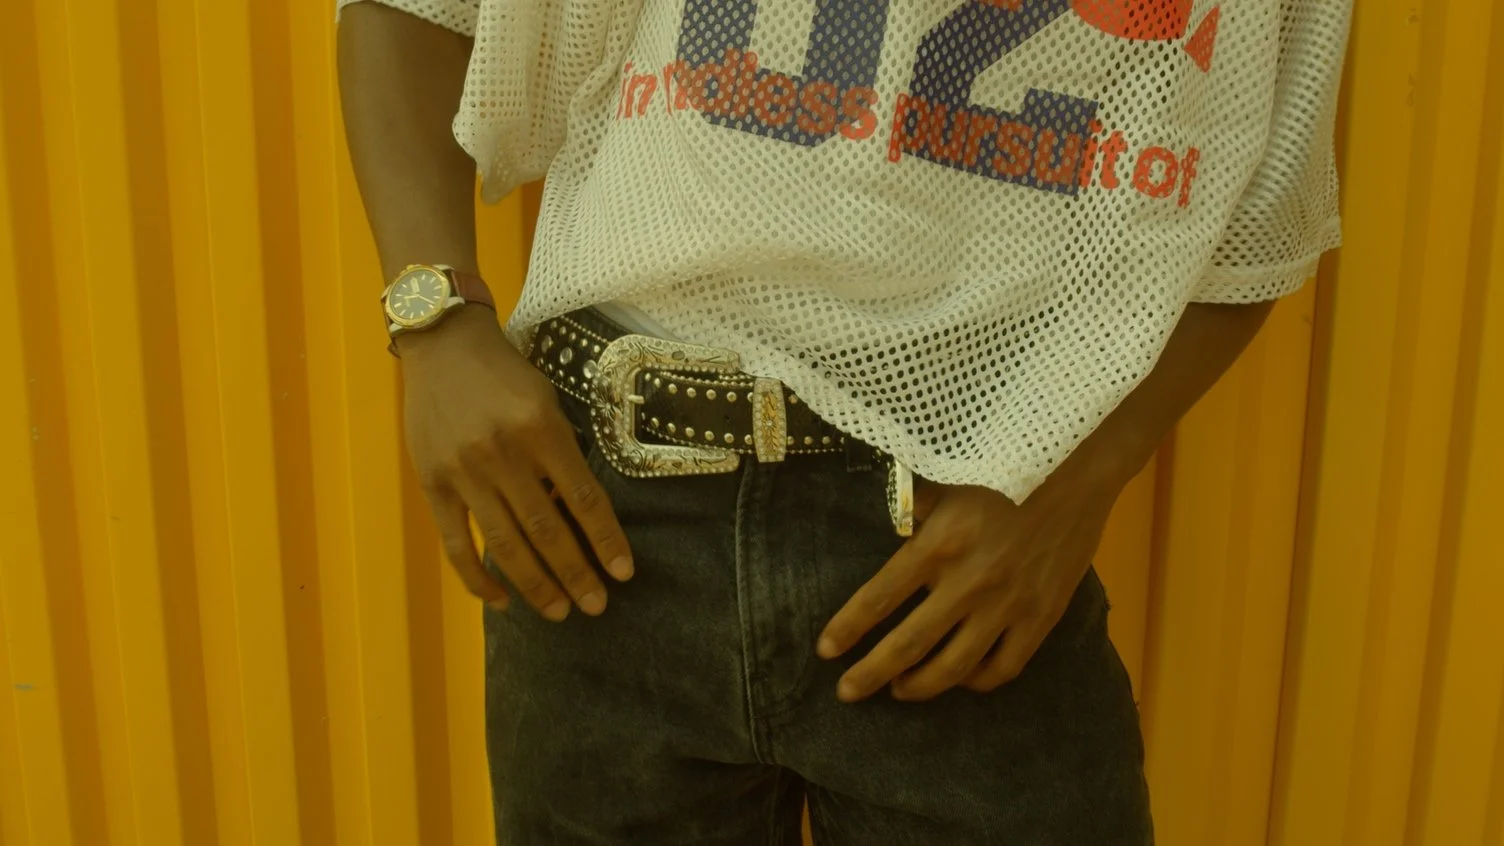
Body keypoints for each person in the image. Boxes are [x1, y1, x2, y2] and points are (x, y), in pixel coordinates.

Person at [336, 0, 1351, 841]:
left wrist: (1085, 477)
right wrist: (436, 324)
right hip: (603, 524)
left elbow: (1260, 205)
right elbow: (415, 9)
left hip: (967, 546)